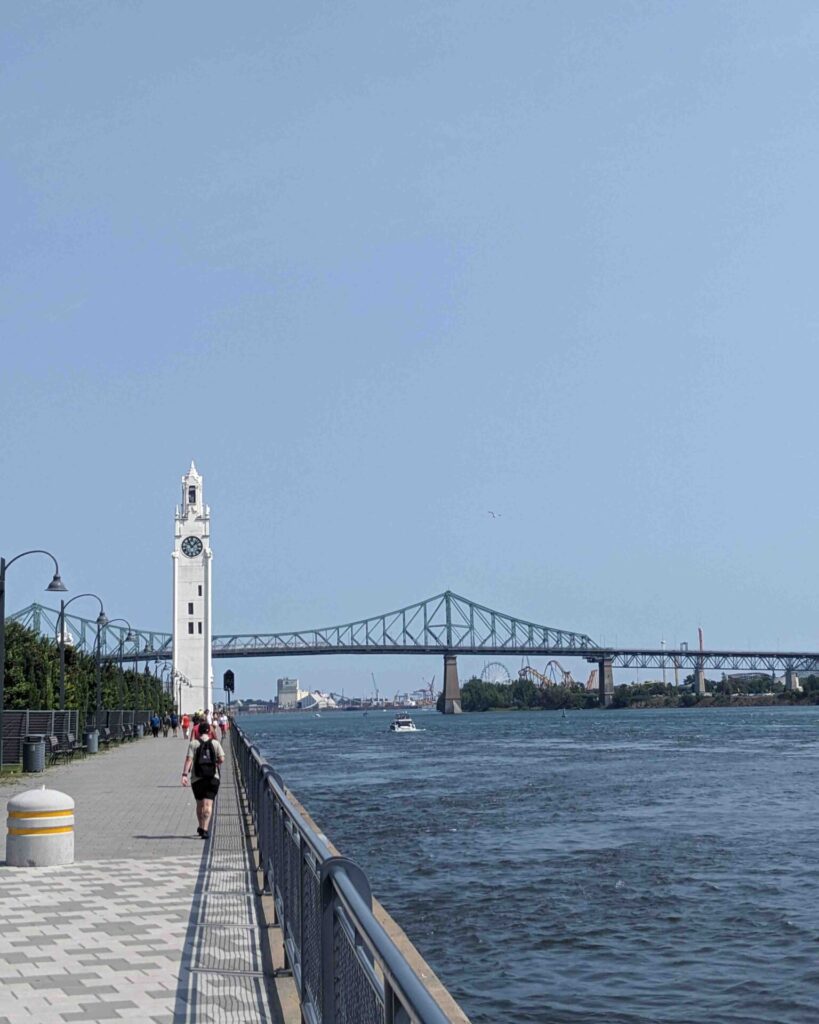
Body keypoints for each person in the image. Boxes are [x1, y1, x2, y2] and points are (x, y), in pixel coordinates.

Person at [181, 721, 225, 839]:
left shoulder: (193, 744)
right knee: (208, 804)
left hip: (197, 779)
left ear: (199, 731)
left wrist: (184, 775)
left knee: (199, 804)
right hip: (212, 777)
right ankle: (205, 829)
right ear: (209, 731)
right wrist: (214, 763)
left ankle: (201, 826)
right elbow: (222, 759)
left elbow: (189, 760)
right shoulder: (215, 743)